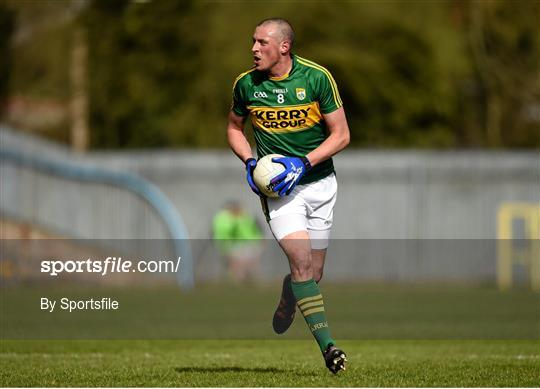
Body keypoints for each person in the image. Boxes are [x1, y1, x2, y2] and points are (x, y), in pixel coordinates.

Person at [226, 18, 350, 374]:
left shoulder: (315, 78)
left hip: (321, 184)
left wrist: (304, 162)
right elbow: (234, 128)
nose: (253, 48)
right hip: (281, 192)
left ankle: (289, 292)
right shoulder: (246, 85)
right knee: (302, 265)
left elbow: (341, 135)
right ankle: (329, 348)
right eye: (253, 41)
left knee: (314, 272)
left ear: (284, 47)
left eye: (262, 42)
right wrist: (250, 161)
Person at [212, 201, 263, 282]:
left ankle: (243, 280)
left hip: (241, 244)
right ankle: (241, 280)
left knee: (240, 265)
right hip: (236, 244)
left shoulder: (242, 216)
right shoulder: (233, 217)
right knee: (239, 265)